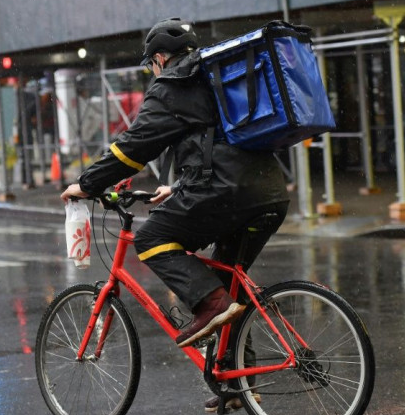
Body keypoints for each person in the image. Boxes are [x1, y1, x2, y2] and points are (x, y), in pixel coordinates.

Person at [60, 18, 289, 355]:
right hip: (268, 190)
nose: (154, 71)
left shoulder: (174, 85)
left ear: (161, 59)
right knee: (229, 283)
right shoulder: (213, 78)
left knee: (151, 238)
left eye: (151, 65)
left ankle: (210, 304)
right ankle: (236, 380)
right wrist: (181, 185)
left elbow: (134, 148)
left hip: (227, 191)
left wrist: (86, 183)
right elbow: (219, 141)